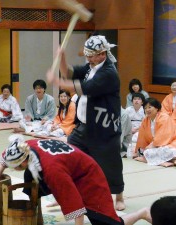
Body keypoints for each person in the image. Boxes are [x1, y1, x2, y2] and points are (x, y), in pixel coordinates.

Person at [0, 134, 152, 225]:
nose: (14, 170)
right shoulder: (24, 147)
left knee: (109, 224)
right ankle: (41, 205)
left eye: (16, 167)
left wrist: (62, 198)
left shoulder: (52, 170)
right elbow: (6, 157)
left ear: (24, 161)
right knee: (31, 176)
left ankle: (141, 213)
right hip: (68, 169)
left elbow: (74, 203)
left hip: (88, 177)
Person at [46, 34, 125, 210]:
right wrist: (62, 58)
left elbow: (82, 88)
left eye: (91, 55)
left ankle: (118, 195)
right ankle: (68, 194)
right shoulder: (91, 67)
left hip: (104, 127)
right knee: (68, 156)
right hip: (83, 126)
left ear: (102, 54)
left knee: (110, 163)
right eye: (87, 55)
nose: (87, 58)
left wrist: (57, 81)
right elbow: (70, 73)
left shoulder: (109, 73)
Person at [135, 98, 176, 167]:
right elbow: (142, 136)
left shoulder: (164, 117)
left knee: (166, 150)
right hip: (157, 146)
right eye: (145, 108)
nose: (147, 110)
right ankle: (173, 160)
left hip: (173, 142)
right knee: (147, 152)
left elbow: (164, 136)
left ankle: (172, 159)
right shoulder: (145, 120)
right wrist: (139, 149)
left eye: (150, 107)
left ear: (156, 108)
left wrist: (152, 145)